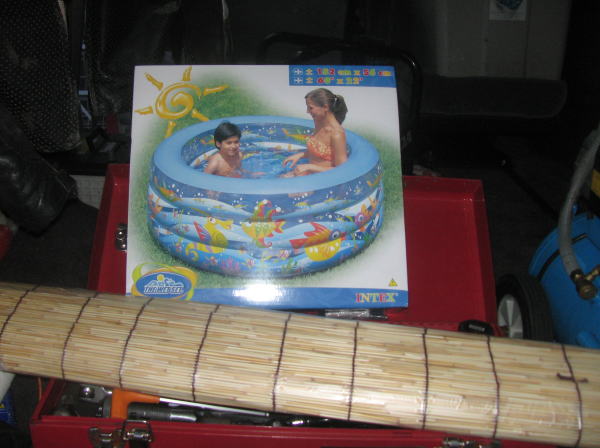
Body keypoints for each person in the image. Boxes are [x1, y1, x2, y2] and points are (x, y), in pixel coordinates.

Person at [282, 88, 348, 176]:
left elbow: (342, 170)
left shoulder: (337, 134)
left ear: (325, 107)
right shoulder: (319, 123)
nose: (307, 111)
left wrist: (310, 167)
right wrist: (300, 155)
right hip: (309, 174)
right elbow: (317, 152)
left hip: (324, 179)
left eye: (310, 108)